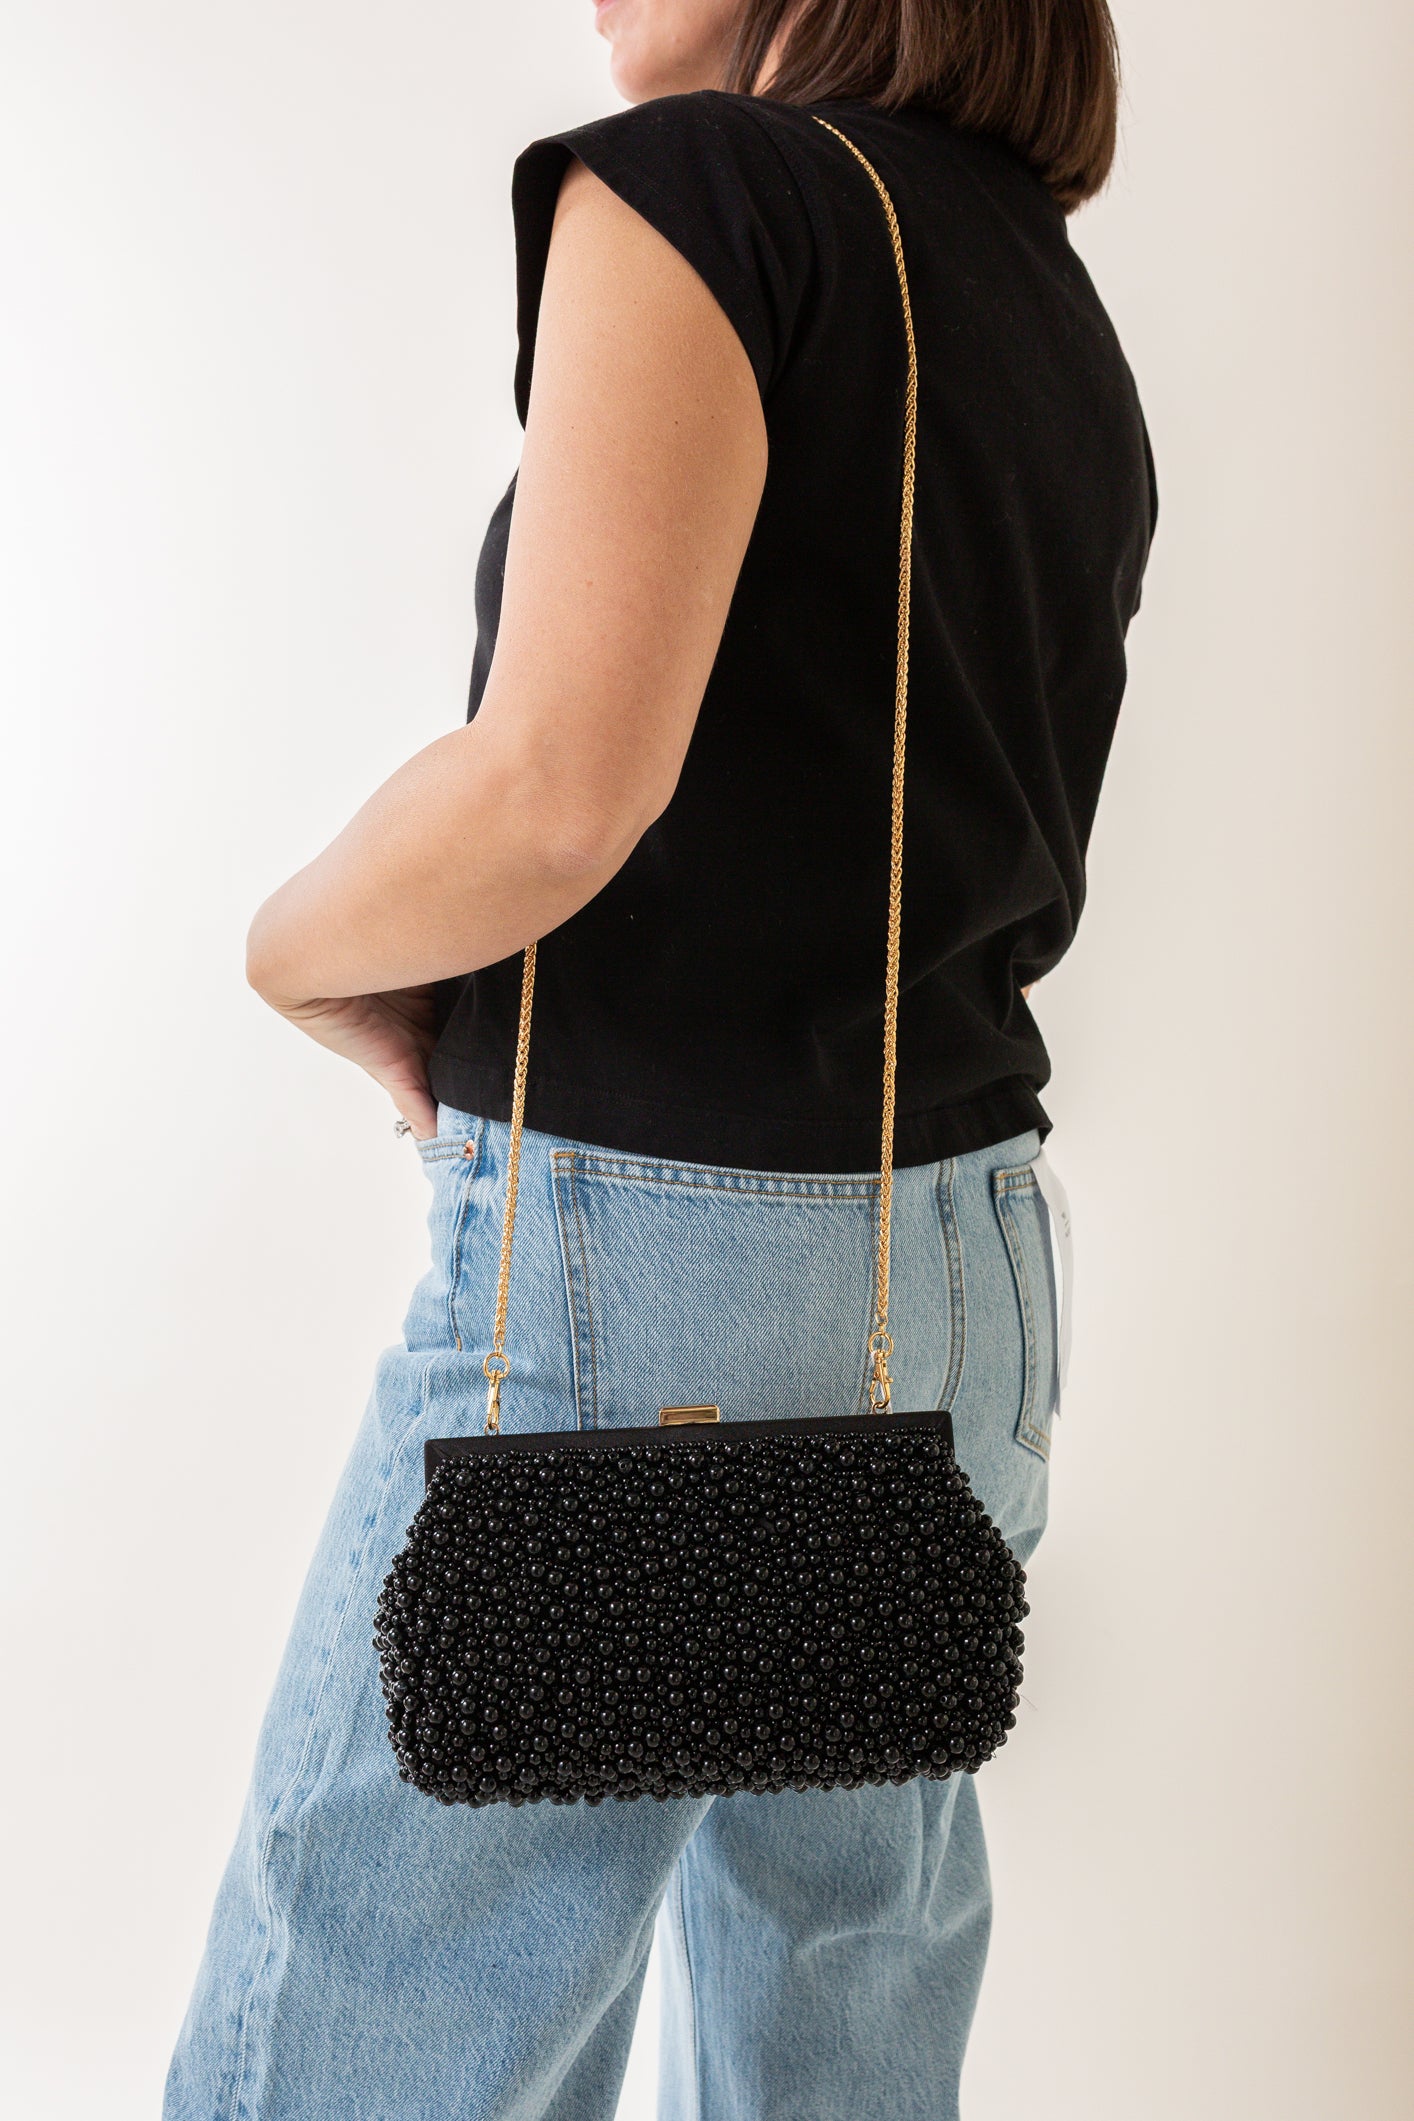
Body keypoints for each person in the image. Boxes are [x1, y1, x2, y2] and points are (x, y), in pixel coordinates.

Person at [163, 0, 1156, 2113]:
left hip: (654, 1300)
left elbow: (547, 793)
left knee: (369, 2026)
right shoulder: (1035, 284)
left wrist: (291, 950)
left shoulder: (701, 190)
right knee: (829, 2023)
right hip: (953, 1280)